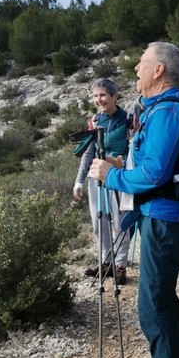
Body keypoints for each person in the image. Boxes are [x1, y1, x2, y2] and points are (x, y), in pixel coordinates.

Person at [90, 42, 179, 358]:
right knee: (162, 294)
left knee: (150, 304)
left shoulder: (167, 112)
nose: (136, 71)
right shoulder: (166, 110)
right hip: (166, 214)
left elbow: (153, 174)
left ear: (159, 70)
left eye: (142, 64)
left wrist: (113, 176)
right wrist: (123, 164)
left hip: (166, 216)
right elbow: (153, 166)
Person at [72, 78, 133, 285]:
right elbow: (89, 152)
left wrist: (120, 163)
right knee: (100, 223)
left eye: (103, 95)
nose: (99, 99)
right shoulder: (95, 120)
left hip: (118, 176)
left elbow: (134, 150)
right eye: (96, 96)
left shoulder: (128, 119)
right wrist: (78, 181)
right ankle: (106, 263)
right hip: (96, 176)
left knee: (120, 221)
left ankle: (121, 265)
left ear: (114, 96)